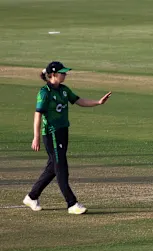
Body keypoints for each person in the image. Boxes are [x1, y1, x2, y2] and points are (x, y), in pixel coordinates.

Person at [23, 61, 112, 214]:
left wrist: (98, 102)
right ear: (53, 74)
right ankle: (72, 203)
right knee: (61, 167)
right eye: (62, 72)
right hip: (51, 134)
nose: (65, 74)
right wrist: (36, 137)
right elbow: (38, 115)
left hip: (63, 132)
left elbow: (79, 101)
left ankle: (32, 197)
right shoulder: (44, 93)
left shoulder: (64, 90)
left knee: (53, 167)